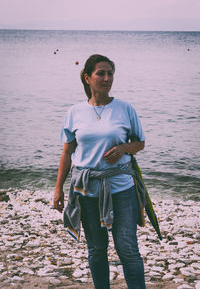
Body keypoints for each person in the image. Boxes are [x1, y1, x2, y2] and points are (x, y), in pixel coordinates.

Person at [53, 54, 146, 289]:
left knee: (127, 248)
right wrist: (58, 189)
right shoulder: (74, 112)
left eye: (110, 73)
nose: (107, 78)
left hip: (122, 189)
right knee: (96, 249)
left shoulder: (125, 108)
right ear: (87, 78)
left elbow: (140, 143)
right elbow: (67, 153)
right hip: (86, 190)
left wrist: (124, 148)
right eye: (101, 73)